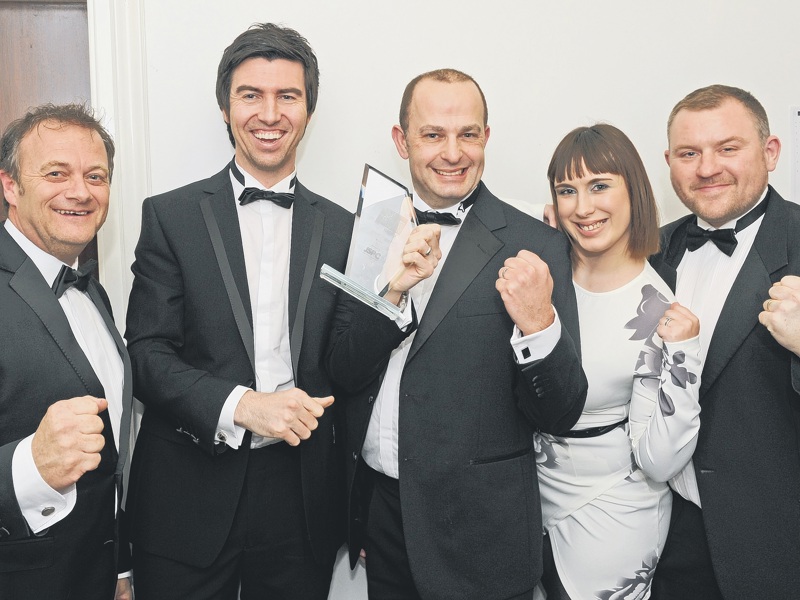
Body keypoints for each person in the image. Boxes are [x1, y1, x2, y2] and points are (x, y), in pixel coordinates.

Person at [326, 68, 588, 600]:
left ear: (486, 137)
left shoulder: (535, 243)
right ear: (401, 141)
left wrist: (539, 325)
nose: (453, 152)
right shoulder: (372, 225)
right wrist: (393, 292)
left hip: (482, 536)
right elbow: (343, 369)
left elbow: (560, 412)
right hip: (382, 516)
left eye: (468, 134)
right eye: (432, 134)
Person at [124, 23, 353, 599]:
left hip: (303, 502)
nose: (269, 113)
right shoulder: (168, 217)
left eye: (288, 96)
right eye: (251, 95)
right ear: (225, 105)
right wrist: (243, 406)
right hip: (188, 492)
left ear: (309, 110)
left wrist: (395, 290)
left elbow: (352, 367)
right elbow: (148, 358)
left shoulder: (348, 230)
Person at [535, 124, 701, 600]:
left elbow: (660, 459)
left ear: (635, 189)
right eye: (568, 190)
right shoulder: (542, 274)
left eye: (600, 185)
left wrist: (683, 355)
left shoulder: (660, 307)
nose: (583, 207)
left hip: (612, 510)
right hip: (528, 500)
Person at [649, 84, 800, 599]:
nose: (707, 168)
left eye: (728, 148)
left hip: (778, 545)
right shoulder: (651, 251)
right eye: (689, 154)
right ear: (669, 162)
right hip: (669, 539)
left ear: (771, 152)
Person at [0, 104, 133, 599]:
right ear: (11, 186)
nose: (80, 192)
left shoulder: (88, 288)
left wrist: (119, 570)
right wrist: (30, 465)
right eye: (57, 173)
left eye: (95, 176)